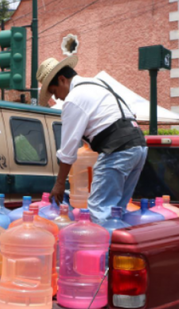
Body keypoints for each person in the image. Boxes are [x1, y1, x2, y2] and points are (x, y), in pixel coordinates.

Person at [38, 55, 148, 223]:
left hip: (117, 149)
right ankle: (118, 248)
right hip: (138, 145)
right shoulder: (98, 85)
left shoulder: (74, 98)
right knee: (117, 211)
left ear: (62, 79)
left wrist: (60, 183)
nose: (57, 98)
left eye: (54, 92)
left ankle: (103, 249)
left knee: (99, 211)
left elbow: (68, 150)